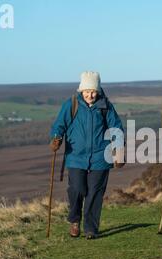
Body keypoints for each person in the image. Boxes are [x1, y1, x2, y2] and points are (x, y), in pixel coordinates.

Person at [50, 71, 124, 239]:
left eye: (93, 91)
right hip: (76, 156)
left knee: (95, 193)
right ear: (81, 90)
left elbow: (116, 128)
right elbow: (59, 125)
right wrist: (56, 138)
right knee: (76, 189)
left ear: (98, 90)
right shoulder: (71, 104)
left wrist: (118, 149)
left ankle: (91, 228)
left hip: (100, 156)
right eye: (87, 91)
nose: (90, 95)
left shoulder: (106, 105)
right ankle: (75, 220)